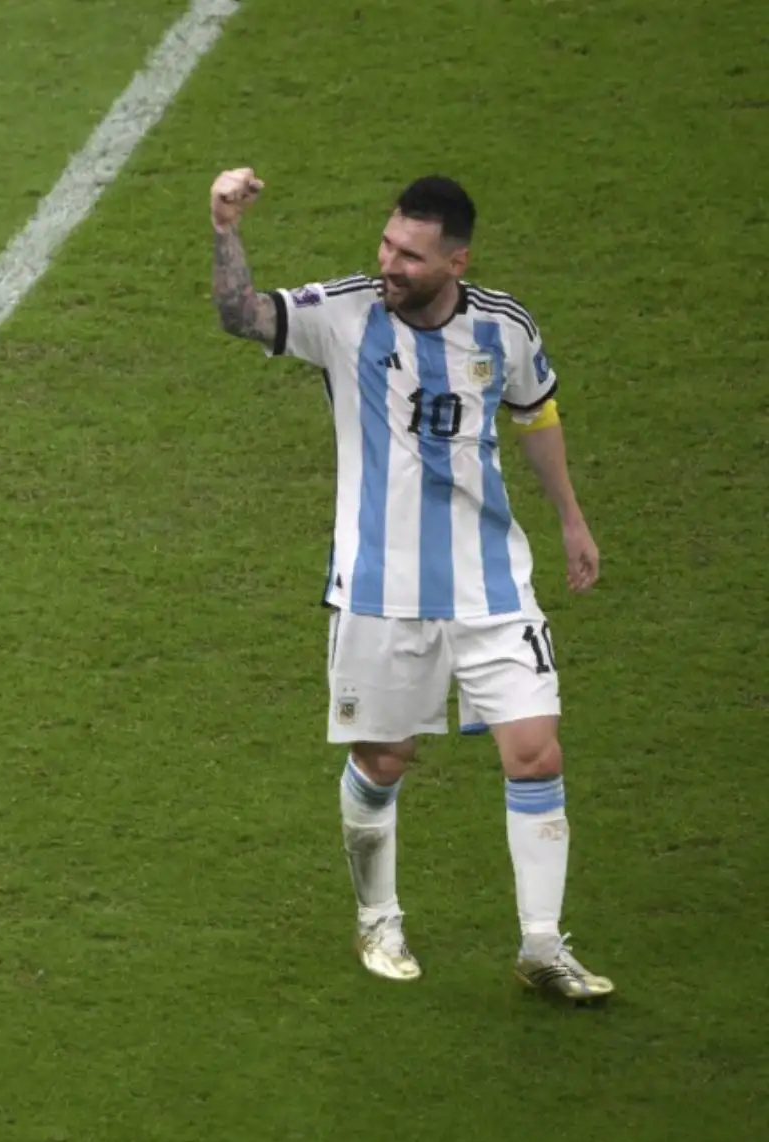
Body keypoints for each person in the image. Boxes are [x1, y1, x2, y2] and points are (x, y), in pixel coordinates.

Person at [207, 166, 613, 1000]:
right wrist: (225, 229)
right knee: (385, 757)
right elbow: (239, 316)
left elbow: (534, 411)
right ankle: (377, 915)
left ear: (456, 263)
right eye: (387, 243)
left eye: (410, 256)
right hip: (378, 588)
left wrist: (571, 516)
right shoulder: (345, 313)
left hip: (491, 584)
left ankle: (542, 944)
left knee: (536, 753)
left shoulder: (505, 329)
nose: (389, 263)